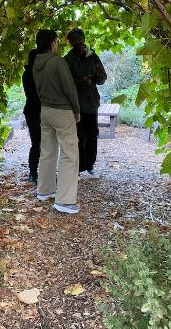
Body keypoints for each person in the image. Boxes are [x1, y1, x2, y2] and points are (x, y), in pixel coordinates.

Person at [33, 29, 81, 215]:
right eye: (57, 42)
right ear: (53, 42)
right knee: (69, 154)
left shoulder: (36, 62)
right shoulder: (57, 61)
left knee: (47, 151)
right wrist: (76, 110)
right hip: (62, 112)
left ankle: (44, 190)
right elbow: (70, 89)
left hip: (45, 110)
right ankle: (65, 201)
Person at [65, 28, 107, 179]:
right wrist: (80, 82)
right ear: (70, 43)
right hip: (75, 105)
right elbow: (65, 83)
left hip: (92, 103)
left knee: (92, 135)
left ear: (84, 39)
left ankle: (90, 165)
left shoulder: (93, 56)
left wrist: (97, 76)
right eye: (74, 41)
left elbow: (103, 79)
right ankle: (77, 167)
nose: (78, 43)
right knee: (77, 137)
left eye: (80, 40)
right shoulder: (67, 60)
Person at [22, 49, 41, 184]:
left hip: (33, 110)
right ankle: (33, 172)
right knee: (37, 143)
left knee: (37, 143)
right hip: (35, 111)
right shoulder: (31, 74)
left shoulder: (28, 73)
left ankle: (34, 172)